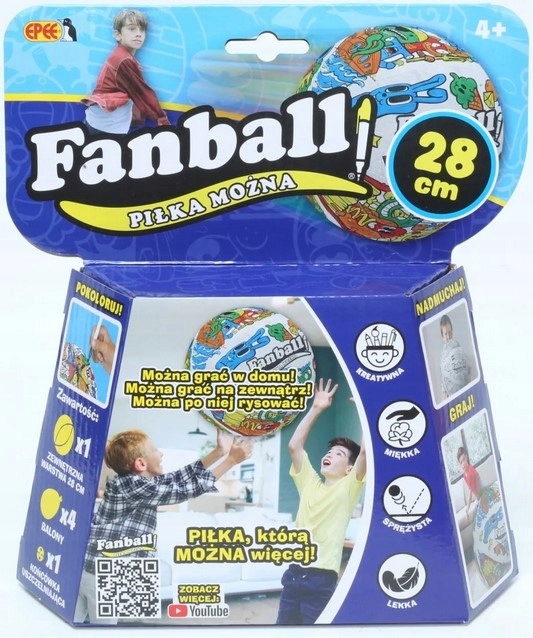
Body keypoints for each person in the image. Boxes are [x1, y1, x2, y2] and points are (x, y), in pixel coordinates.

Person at [74, 427, 252, 623]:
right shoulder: (134, 486)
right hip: (104, 575)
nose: (161, 454)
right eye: (155, 450)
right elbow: (186, 490)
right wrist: (230, 461)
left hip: (92, 570)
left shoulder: (133, 483)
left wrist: (219, 452)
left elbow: (179, 477)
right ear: (140, 463)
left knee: (74, 623)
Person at [276, 378, 366, 625]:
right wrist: (316, 408)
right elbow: (294, 446)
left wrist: (364, 410)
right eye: (329, 451)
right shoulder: (309, 482)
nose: (330, 454)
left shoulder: (349, 487)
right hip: (294, 572)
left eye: (339, 454)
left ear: (349, 469)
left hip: (322, 578)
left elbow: (365, 453)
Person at [82, 9, 170, 135]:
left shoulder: (123, 57)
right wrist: (162, 121)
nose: (138, 34)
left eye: (142, 30)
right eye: (132, 29)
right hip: (105, 127)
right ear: (118, 35)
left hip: (103, 123)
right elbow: (143, 93)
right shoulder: (123, 59)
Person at [439, 314, 470, 399]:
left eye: (450, 333)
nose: (448, 336)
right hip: (451, 396)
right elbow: (443, 382)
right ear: (442, 336)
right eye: (446, 334)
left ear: (452, 332)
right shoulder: (443, 359)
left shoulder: (459, 350)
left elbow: (467, 369)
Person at [457, 446, 481, 517]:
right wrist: (467, 508)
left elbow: (478, 487)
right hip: (478, 498)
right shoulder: (465, 475)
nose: (463, 463)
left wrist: (468, 508)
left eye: (463, 459)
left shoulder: (471, 471)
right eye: (461, 462)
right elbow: (471, 491)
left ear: (466, 457)